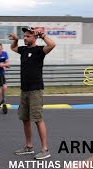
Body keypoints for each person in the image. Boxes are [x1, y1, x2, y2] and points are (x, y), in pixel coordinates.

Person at [9, 26, 56, 160]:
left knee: (37, 119)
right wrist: (16, 40)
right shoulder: (23, 50)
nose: (25, 38)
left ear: (34, 37)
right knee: (25, 119)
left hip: (36, 90)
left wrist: (42, 35)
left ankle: (45, 150)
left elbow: (52, 44)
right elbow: (13, 48)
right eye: (24, 36)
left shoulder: (40, 50)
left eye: (28, 36)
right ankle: (28, 147)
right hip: (24, 90)